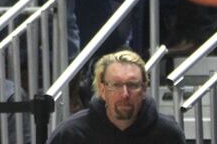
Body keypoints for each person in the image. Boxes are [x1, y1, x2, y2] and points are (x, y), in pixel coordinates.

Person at [48, 50, 185, 143]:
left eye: (132, 85)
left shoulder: (168, 133)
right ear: (102, 90)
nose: (125, 94)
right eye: (116, 85)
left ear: (143, 89)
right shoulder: (70, 134)